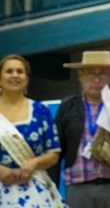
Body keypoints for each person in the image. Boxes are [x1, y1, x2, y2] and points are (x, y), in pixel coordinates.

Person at [52, 50, 110, 207]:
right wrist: (51, 188)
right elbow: (56, 149)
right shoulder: (67, 106)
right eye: (90, 74)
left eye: (102, 74)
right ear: (80, 76)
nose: (96, 79)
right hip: (78, 186)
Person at [0, 54, 63, 207]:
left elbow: (54, 154)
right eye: (9, 71)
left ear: (27, 79)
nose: (15, 75)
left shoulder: (41, 111)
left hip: (34, 190)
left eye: (20, 71)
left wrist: (34, 163)